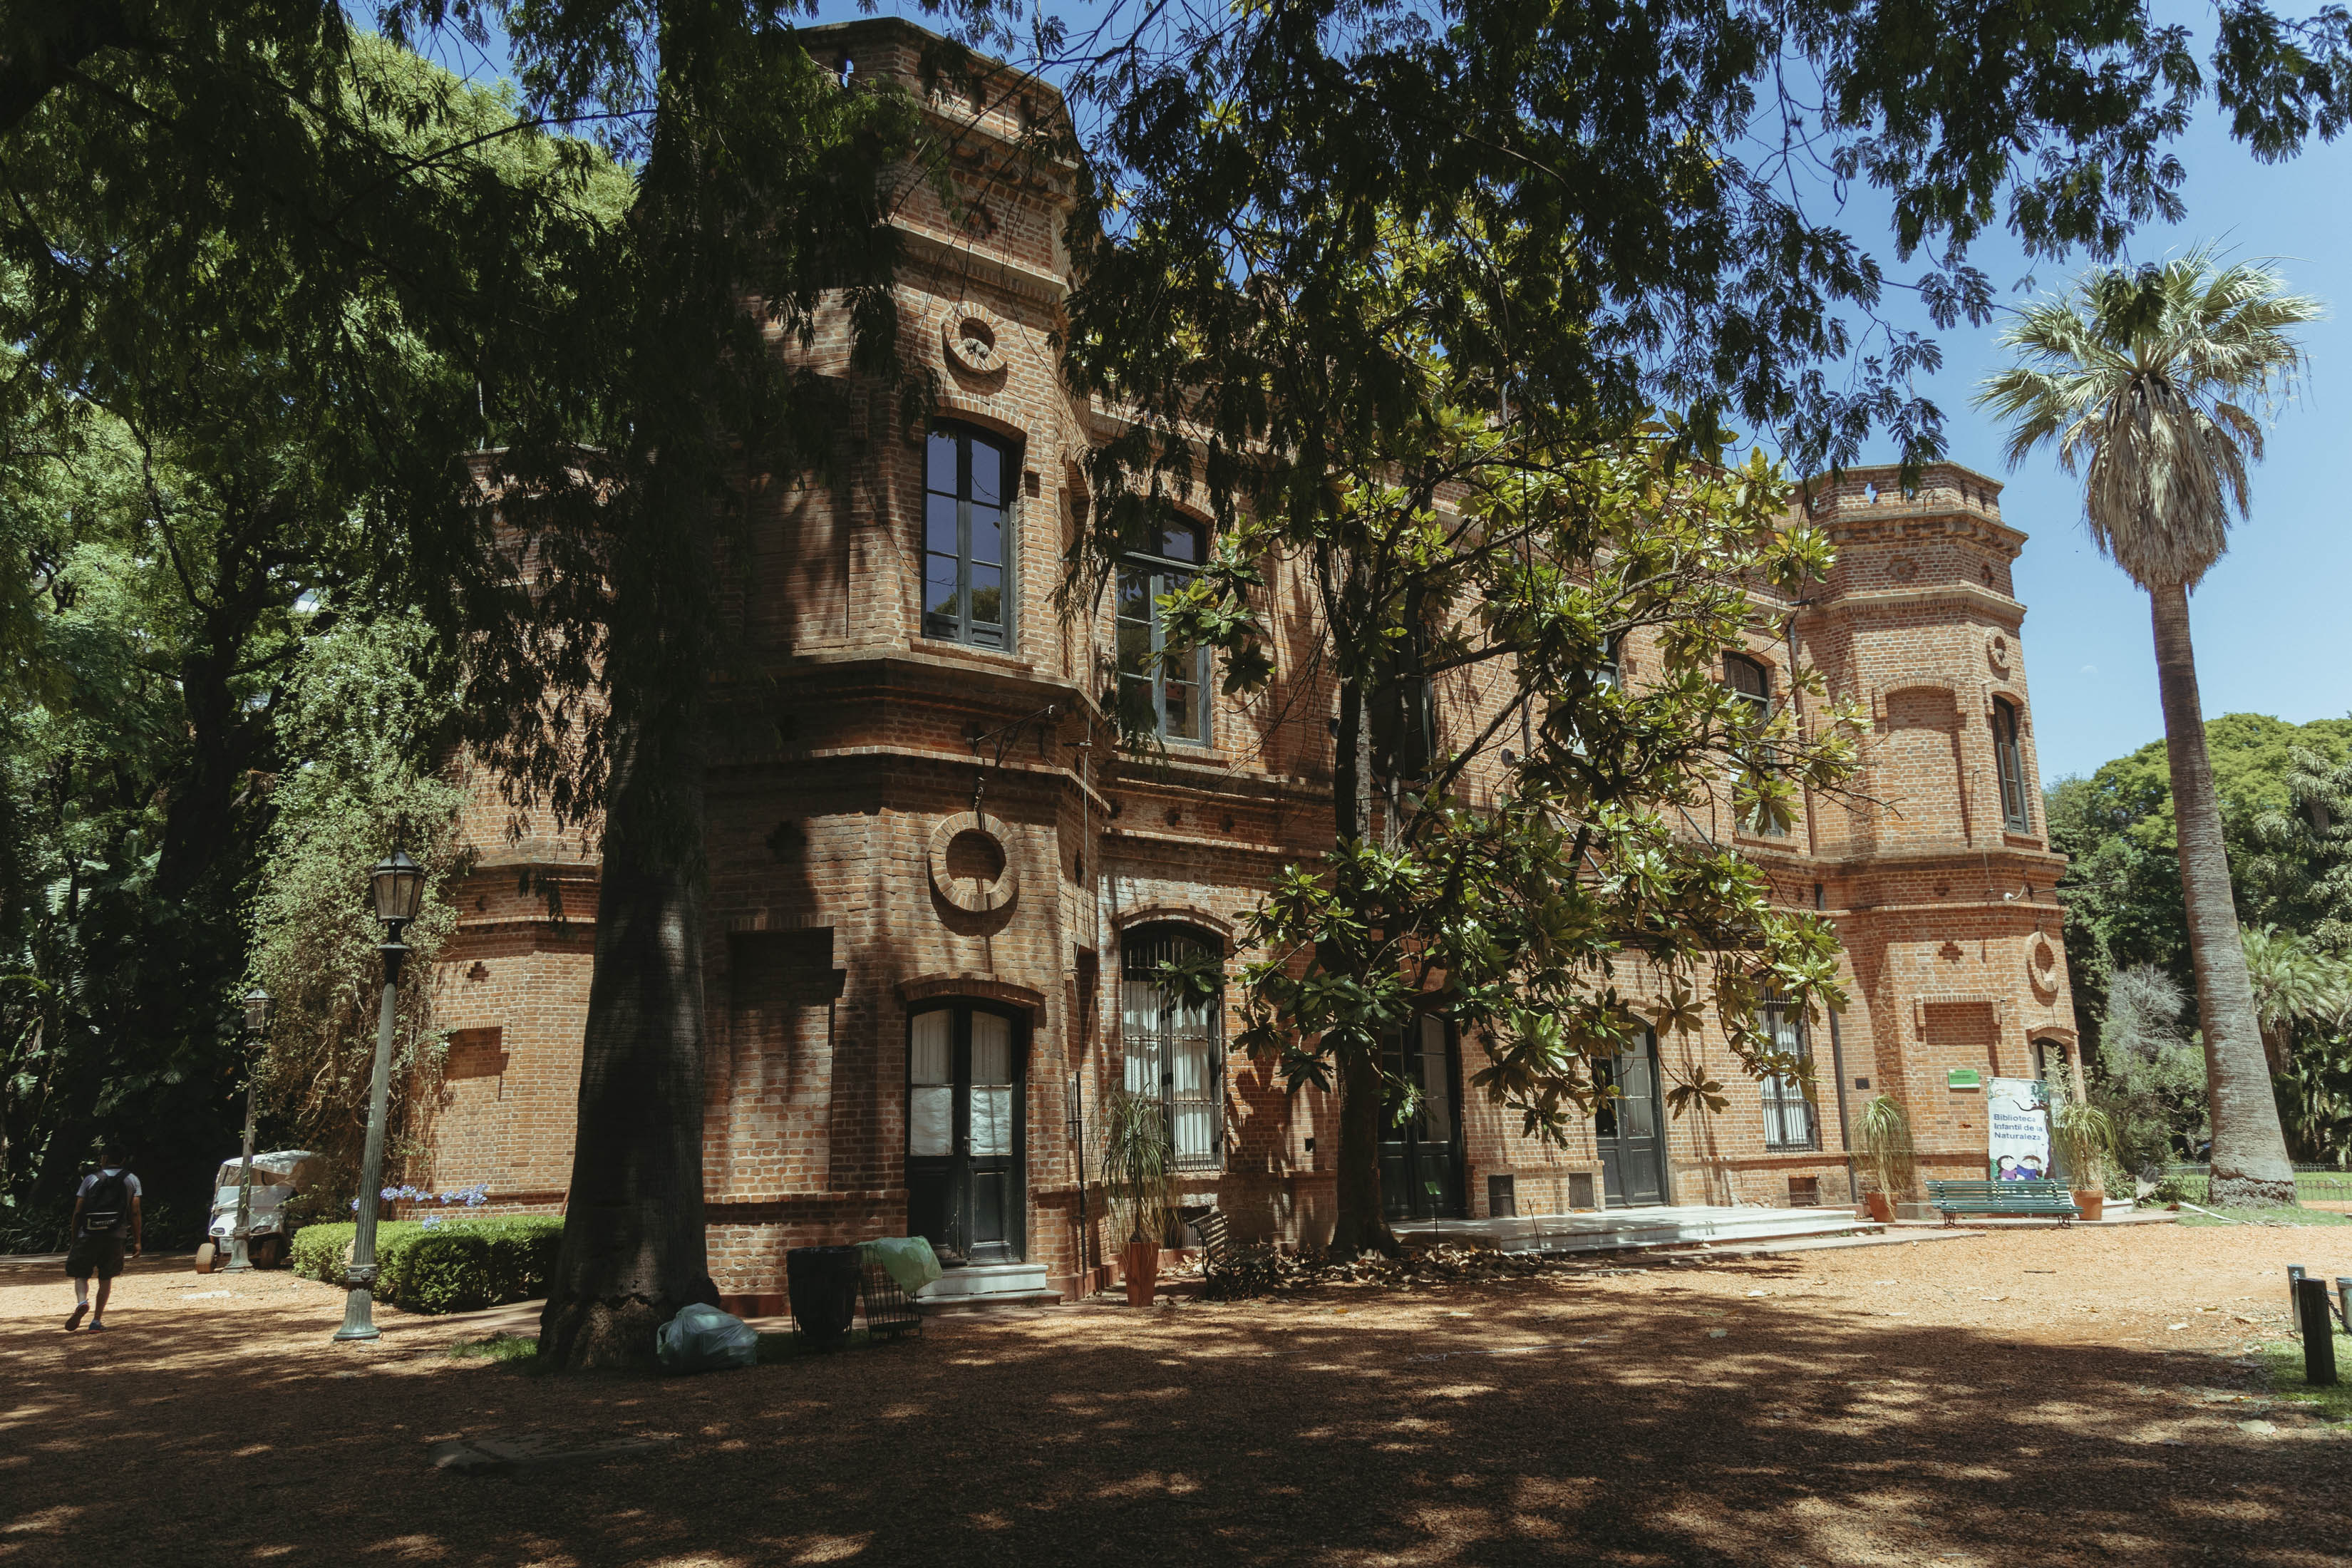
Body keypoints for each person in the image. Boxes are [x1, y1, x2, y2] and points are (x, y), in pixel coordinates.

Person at [66, 1145, 140, 1331]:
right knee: (106, 1277)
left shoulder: (90, 1179)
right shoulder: (132, 1179)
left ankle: (82, 1301)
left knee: (81, 1273)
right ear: (123, 1160)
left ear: (104, 1159)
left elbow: (77, 1211)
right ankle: (96, 1321)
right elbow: (135, 1211)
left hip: (88, 1233)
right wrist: (137, 1240)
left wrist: (75, 1237)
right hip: (116, 1235)